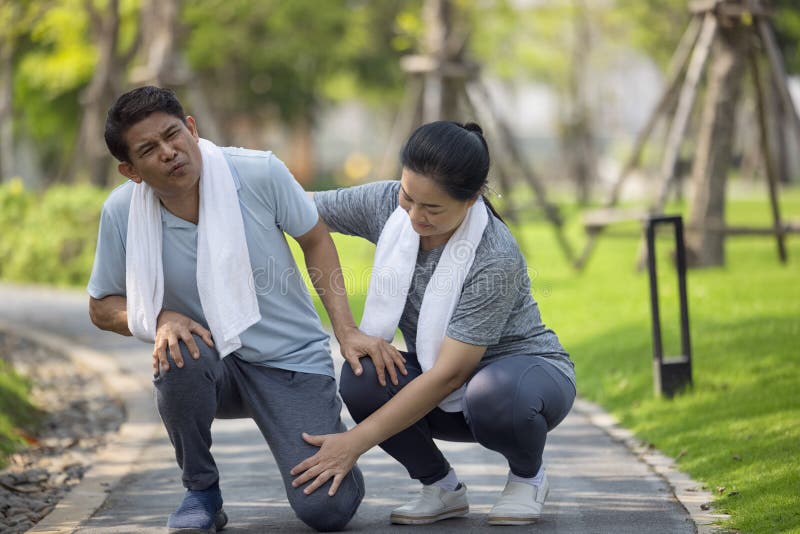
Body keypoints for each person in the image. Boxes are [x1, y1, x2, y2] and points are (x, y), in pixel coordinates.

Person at [87, 86, 402, 532]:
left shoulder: (257, 172)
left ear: (192, 128)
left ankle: (338, 467)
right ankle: (201, 490)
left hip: (289, 361)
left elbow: (314, 237)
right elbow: (100, 307)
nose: (169, 153)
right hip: (210, 365)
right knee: (176, 354)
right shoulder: (122, 213)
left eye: (173, 135)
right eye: (148, 150)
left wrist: (346, 330)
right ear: (130, 170)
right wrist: (160, 318)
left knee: (325, 512)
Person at [290, 121, 576, 526]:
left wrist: (352, 444)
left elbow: (450, 373)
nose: (414, 216)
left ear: (472, 198)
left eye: (433, 209)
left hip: (522, 382)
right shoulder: (389, 203)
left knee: (492, 393)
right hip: (446, 380)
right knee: (363, 376)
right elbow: (294, 206)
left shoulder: (495, 255)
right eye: (409, 197)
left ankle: (528, 478)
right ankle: (441, 488)